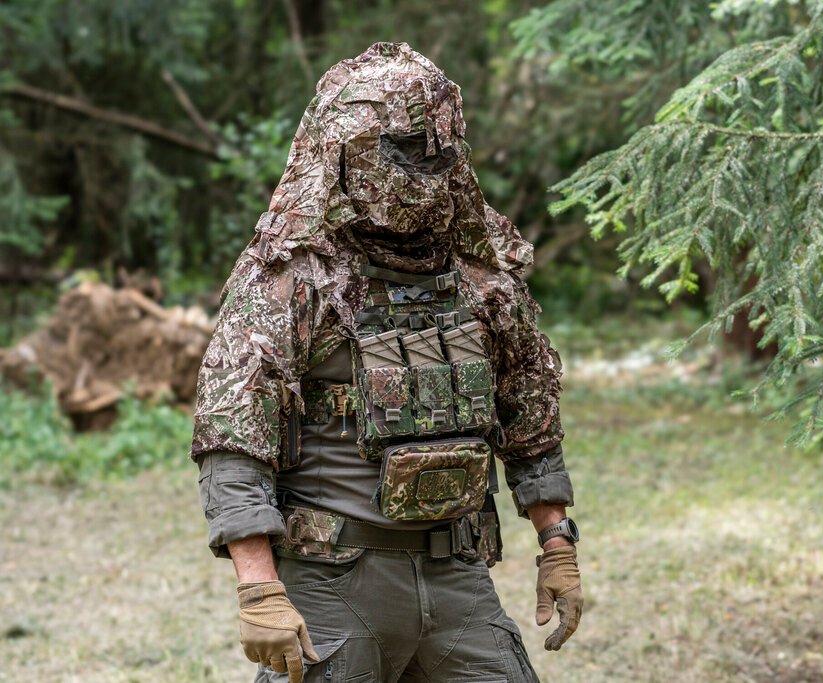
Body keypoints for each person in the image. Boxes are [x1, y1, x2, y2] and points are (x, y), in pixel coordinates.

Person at [191, 42, 583, 683]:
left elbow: (528, 412)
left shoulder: (480, 275)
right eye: (406, 150)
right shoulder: (294, 279)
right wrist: (258, 588)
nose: (426, 167)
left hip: (458, 580)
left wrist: (557, 541)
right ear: (350, 148)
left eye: (438, 149)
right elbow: (234, 437)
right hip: (331, 586)